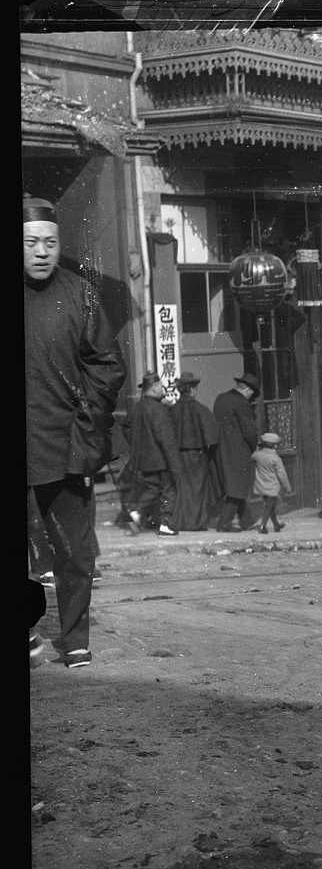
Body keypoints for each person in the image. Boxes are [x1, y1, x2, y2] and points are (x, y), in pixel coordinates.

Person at [25, 196, 126, 667]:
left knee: (74, 551)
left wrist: (87, 430)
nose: (41, 252)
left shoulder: (79, 292)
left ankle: (74, 637)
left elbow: (106, 366)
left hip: (66, 445)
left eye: (49, 242)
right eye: (30, 243)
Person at [123, 371, 182, 536]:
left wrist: (138, 444)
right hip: (160, 460)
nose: (163, 389)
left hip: (144, 459)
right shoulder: (158, 409)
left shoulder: (138, 407)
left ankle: (136, 511)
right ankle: (165, 524)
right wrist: (175, 465)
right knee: (168, 491)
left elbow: (126, 427)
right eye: (161, 386)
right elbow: (167, 440)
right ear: (155, 388)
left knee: (152, 489)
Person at [170, 371, 221, 530]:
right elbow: (212, 438)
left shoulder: (171, 410)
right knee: (197, 490)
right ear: (192, 389)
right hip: (197, 456)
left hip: (176, 456)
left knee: (180, 490)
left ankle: (180, 522)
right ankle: (196, 523)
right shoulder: (201, 409)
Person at [213, 372, 261, 532]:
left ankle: (248, 520)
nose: (251, 397)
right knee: (237, 489)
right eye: (251, 393)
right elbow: (249, 431)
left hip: (221, 449)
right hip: (239, 451)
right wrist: (254, 446)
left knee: (235, 486)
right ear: (247, 389)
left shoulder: (221, 399)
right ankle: (224, 524)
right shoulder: (242, 403)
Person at [252, 432, 291, 535]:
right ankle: (262, 526)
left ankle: (276, 525)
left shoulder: (257, 455)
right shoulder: (276, 459)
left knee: (271, 507)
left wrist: (259, 448)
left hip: (260, 485)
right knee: (269, 506)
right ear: (275, 445)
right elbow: (282, 475)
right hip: (272, 487)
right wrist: (287, 488)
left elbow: (252, 457)